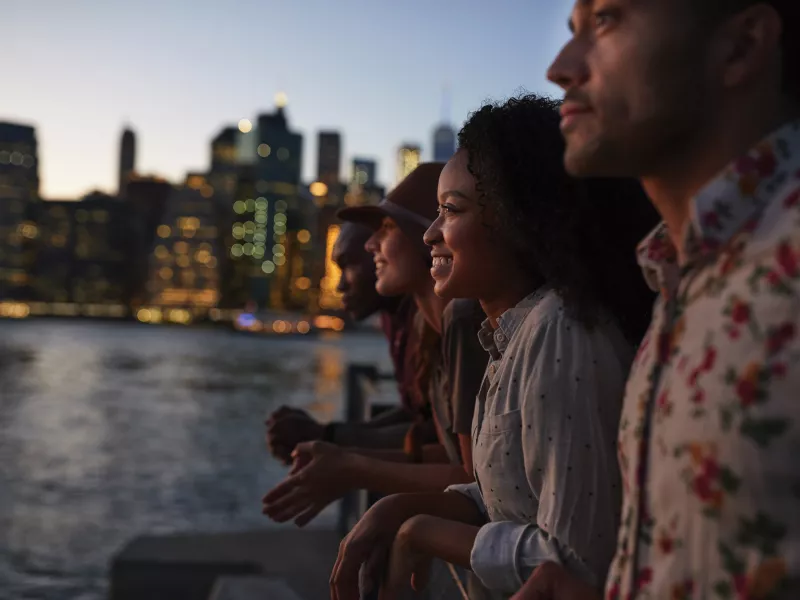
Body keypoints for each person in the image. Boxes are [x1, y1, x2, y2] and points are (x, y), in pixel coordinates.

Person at [520, 1, 800, 599]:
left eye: (607, 20)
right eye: (572, 29)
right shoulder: (675, 274)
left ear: (741, 45)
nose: (560, 67)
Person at [329, 94, 658, 600]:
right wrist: (396, 509)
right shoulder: (509, 335)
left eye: (451, 211)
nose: (431, 234)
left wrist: (426, 532)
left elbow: (574, 565)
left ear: (518, 220)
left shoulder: (562, 332)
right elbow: (508, 499)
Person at [261, 163, 489, 527]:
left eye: (385, 228)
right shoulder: (427, 328)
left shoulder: (466, 323)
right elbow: (443, 449)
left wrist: (351, 465)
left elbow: (474, 478)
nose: (371, 246)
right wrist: (338, 451)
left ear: (427, 235)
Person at [266, 222, 434, 464]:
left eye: (349, 265)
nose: (340, 285)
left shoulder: (437, 320)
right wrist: (327, 436)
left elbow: (440, 435)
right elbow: (417, 414)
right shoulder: (394, 319)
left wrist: (327, 436)